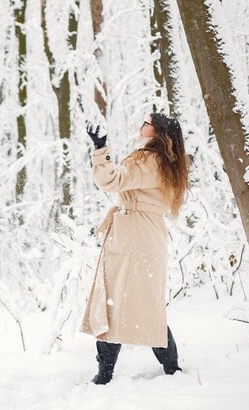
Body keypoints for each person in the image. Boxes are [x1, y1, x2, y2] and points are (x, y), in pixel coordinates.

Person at [81, 113, 189, 385]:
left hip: (134, 235)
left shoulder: (148, 159)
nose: (140, 126)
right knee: (145, 305)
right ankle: (171, 369)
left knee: (114, 301)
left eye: (145, 123)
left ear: (158, 131)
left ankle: (105, 374)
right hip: (146, 235)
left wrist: (100, 149)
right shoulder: (166, 162)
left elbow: (111, 181)